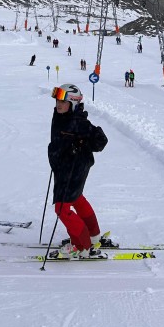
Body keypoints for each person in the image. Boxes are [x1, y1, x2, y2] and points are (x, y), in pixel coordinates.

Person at [48, 84, 108, 259]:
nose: (59, 104)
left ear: (73, 103)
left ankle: (82, 246)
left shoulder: (78, 122)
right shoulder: (61, 116)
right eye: (57, 100)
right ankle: (93, 236)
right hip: (64, 166)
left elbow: (101, 140)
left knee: (62, 207)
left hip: (74, 167)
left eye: (63, 101)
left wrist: (82, 143)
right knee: (76, 199)